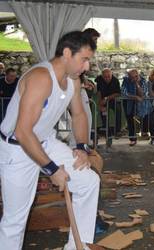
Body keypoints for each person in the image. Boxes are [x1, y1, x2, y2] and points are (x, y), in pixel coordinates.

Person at [0, 31, 99, 250]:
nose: (87, 67)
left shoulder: (72, 81)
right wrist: (52, 170)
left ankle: (77, 247)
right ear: (66, 53)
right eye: (84, 59)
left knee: (89, 182)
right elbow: (23, 132)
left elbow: (80, 115)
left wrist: (81, 146)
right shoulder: (41, 78)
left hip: (45, 142)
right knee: (15, 220)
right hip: (17, 149)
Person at [95, 68, 121, 146]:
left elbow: (117, 93)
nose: (107, 78)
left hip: (112, 99)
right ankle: (108, 135)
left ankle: (117, 131)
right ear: (102, 76)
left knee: (118, 109)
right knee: (103, 113)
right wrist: (100, 104)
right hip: (103, 99)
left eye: (109, 76)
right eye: (105, 77)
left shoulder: (115, 80)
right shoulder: (99, 79)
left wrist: (107, 98)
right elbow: (99, 92)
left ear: (111, 75)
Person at [121, 69, 143, 146]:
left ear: (138, 75)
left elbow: (143, 94)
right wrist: (135, 97)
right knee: (130, 121)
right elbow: (124, 93)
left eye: (136, 76)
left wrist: (137, 84)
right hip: (128, 103)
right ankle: (133, 139)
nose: (134, 78)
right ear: (129, 76)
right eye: (132, 77)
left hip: (141, 104)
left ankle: (149, 136)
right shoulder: (126, 81)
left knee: (144, 118)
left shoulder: (143, 80)